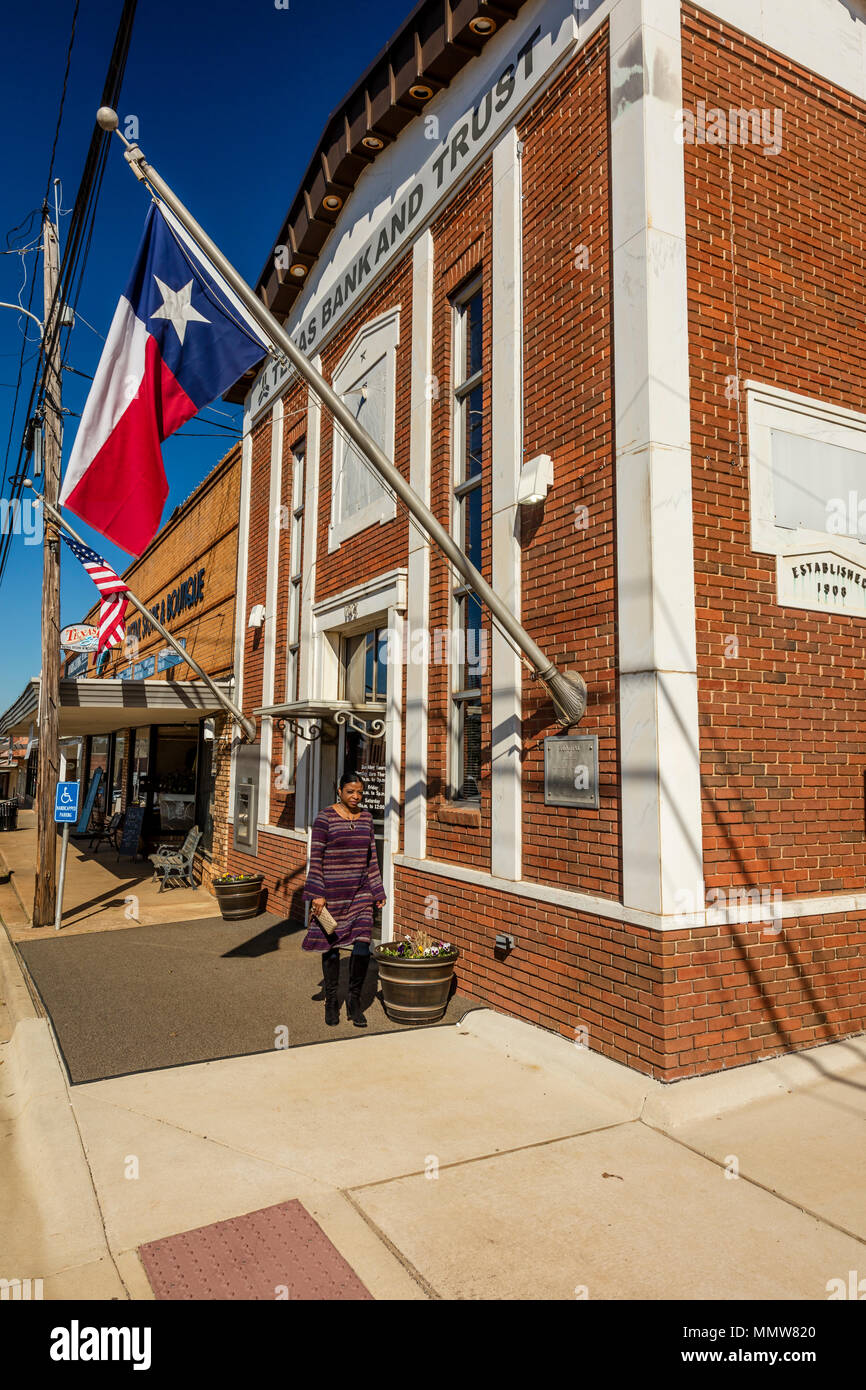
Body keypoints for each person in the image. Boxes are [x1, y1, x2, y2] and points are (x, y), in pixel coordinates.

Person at [302, 772, 386, 1027]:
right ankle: (331, 1001)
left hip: (360, 893)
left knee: (362, 946)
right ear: (339, 791)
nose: (356, 796)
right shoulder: (325, 818)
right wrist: (317, 893)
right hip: (331, 894)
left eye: (359, 792)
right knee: (331, 949)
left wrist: (378, 890)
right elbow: (315, 858)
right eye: (350, 791)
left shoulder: (367, 819)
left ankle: (354, 1002)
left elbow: (372, 857)